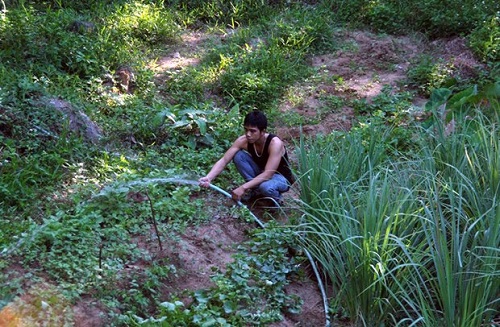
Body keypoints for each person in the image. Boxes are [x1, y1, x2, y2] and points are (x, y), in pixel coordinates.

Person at [199, 111, 294, 204]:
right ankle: (256, 191)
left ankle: (276, 200)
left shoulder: (274, 144)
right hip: (261, 173)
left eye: (253, 131)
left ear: (262, 131)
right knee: (238, 156)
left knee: (266, 187)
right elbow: (224, 160)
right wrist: (209, 177)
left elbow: (268, 174)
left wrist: (243, 188)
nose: (248, 134)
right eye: (246, 130)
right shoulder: (243, 141)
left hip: (281, 178)